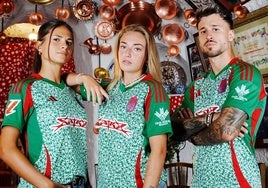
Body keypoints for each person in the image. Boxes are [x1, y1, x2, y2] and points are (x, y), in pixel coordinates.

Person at [0, 19, 108, 187]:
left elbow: (113, 91)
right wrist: (47, 185)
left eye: (68, 42)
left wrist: (83, 77)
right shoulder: (25, 88)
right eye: (56, 39)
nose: (64, 45)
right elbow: (6, 149)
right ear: (39, 46)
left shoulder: (74, 90)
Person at [171, 5, 267, 187]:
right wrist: (211, 118)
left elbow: (225, 131)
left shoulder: (245, 73)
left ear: (230, 34)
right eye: (203, 31)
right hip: (200, 180)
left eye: (216, 29)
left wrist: (193, 135)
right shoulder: (195, 87)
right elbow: (175, 131)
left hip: (236, 180)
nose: (209, 35)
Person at [93, 24, 173, 188]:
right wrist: (83, 78)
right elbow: (65, 81)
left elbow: (159, 150)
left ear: (146, 55)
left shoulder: (153, 89)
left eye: (137, 49)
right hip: (107, 183)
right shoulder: (107, 86)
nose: (127, 53)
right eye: (123, 46)